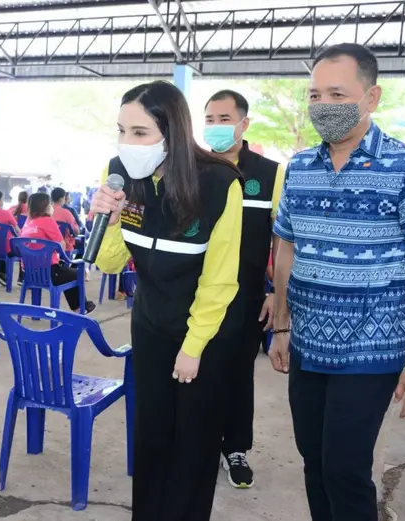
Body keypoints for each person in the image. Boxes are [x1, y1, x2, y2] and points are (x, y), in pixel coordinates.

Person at [269, 43, 405, 521]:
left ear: (371, 97)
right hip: (307, 346)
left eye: (337, 93)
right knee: (314, 464)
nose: (322, 106)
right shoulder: (300, 169)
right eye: (314, 95)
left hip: (368, 351)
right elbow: (287, 247)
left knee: (345, 470)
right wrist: (283, 326)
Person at [92, 80, 243, 520]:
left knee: (193, 444)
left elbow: (220, 281)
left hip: (205, 333)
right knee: (153, 435)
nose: (127, 143)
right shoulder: (121, 175)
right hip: (150, 325)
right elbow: (109, 263)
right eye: (122, 130)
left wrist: (193, 347)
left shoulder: (218, 183)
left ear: (172, 132)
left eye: (140, 133)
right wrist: (111, 217)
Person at [203, 88, 285, 488]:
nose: (216, 127)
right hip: (197, 297)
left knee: (238, 374)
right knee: (197, 371)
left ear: (243, 123)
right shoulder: (194, 169)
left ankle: (235, 447)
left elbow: (281, 242)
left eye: (224, 119)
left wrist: (276, 294)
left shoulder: (270, 174)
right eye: (210, 119)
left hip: (247, 297)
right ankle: (199, 444)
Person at [21, 192, 96, 314]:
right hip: (49, 273)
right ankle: (80, 307)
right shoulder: (48, 221)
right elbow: (61, 246)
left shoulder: (28, 222)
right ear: (45, 206)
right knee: (76, 273)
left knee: (66, 273)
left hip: (29, 273)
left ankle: (79, 307)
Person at [0, 188, 20, 284]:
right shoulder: (6, 214)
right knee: (9, 246)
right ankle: (21, 278)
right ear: (0, 199)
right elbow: (18, 231)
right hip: (5, 250)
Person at [50, 187, 80, 254]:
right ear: (61, 199)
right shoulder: (66, 213)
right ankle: (75, 264)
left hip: (49, 247)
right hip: (65, 248)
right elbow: (76, 231)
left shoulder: (45, 212)